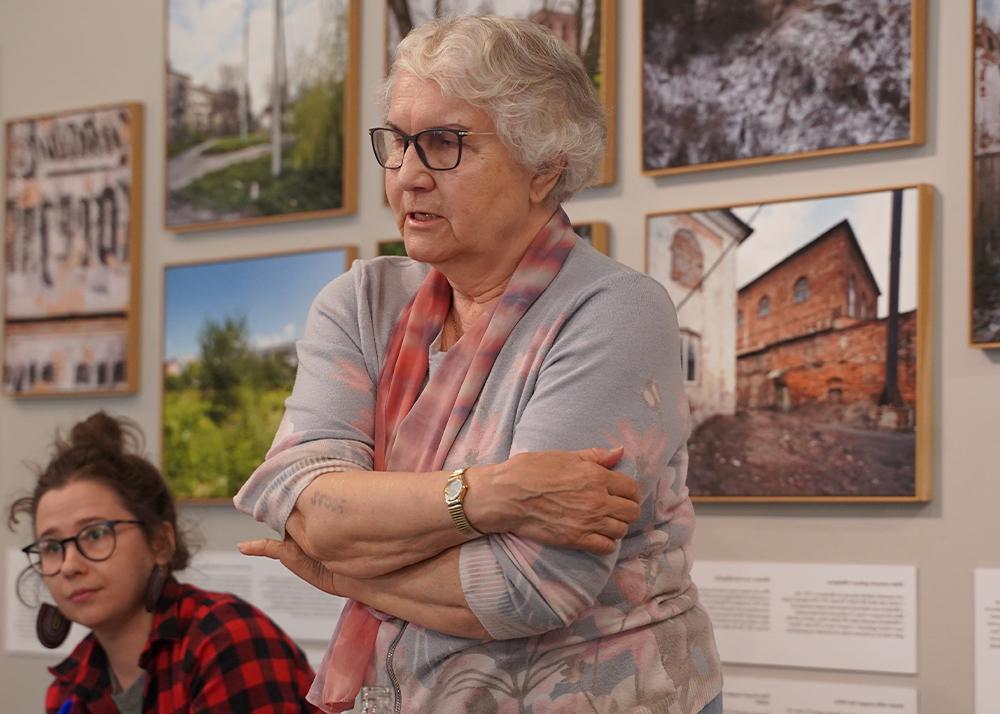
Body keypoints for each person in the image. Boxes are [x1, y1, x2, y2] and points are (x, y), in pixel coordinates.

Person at [236, 15, 722, 714]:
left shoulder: (616, 310)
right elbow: (300, 503)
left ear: (543, 168)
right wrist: (490, 496)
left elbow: (530, 586)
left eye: (443, 144)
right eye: (398, 143)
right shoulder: (362, 302)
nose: (406, 175)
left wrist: (341, 570)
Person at [9, 411, 318, 713]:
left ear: (159, 542)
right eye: (51, 547)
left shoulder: (226, 640)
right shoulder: (71, 688)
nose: (69, 566)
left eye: (96, 534)